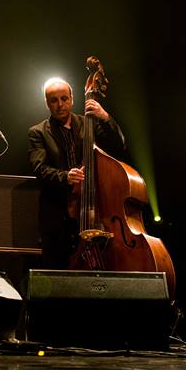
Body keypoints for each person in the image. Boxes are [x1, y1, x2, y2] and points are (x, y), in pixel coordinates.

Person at [27, 77, 126, 269]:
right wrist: (66, 176)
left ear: (72, 99)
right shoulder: (37, 132)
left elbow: (119, 146)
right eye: (53, 100)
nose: (60, 104)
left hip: (96, 210)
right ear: (47, 103)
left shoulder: (88, 124)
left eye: (64, 98)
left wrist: (105, 117)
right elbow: (39, 169)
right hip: (58, 215)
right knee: (58, 270)